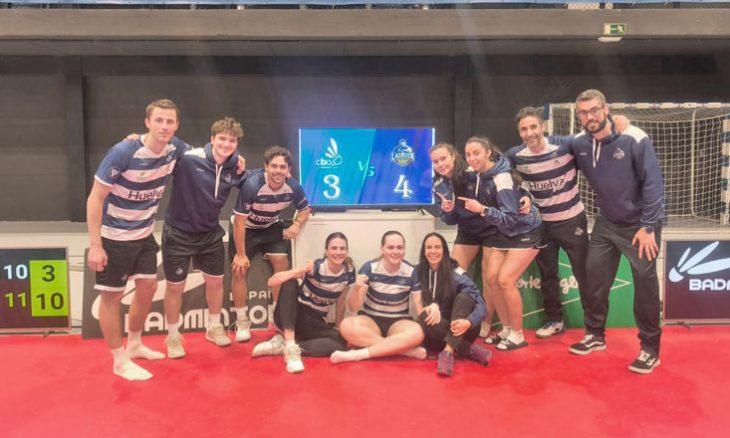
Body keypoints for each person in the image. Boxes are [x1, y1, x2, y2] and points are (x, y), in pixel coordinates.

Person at [86, 98, 189, 381]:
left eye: (169, 121)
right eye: (159, 120)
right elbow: (95, 198)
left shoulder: (175, 148)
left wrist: (236, 159)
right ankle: (119, 361)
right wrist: (95, 245)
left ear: (176, 125)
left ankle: (134, 344)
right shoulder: (123, 152)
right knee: (112, 297)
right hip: (115, 237)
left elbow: (205, 155)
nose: (164, 126)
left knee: (147, 286)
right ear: (147, 123)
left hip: (144, 234)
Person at [568, 89, 664, 374]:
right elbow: (547, 148)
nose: (590, 116)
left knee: (645, 286)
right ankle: (595, 334)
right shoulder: (579, 143)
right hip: (606, 223)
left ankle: (650, 349)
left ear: (606, 109)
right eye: (583, 112)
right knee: (594, 279)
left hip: (640, 226)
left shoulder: (634, 137)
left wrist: (648, 226)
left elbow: (653, 184)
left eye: (594, 110)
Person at [162, 117, 246, 359]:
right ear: (212, 139)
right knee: (174, 287)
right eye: (222, 139)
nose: (226, 144)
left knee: (216, 283)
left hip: (210, 233)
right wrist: (135, 139)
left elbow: (251, 179)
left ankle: (214, 327)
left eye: (232, 141)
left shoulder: (235, 167)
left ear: (237, 144)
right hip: (178, 233)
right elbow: (161, 141)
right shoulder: (189, 158)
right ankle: (173, 336)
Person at [505, 107, 589, 339]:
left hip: (572, 221)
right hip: (542, 226)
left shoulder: (565, 145)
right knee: (548, 275)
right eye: (524, 129)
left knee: (583, 273)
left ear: (542, 126)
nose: (529, 132)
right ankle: (554, 320)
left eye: (533, 126)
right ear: (519, 132)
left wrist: (616, 121)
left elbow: (594, 135)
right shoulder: (516, 155)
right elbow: (496, 169)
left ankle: (593, 327)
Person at [459, 136, 544, 351]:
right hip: (503, 231)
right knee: (491, 280)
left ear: (488, 153)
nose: (472, 158)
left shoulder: (502, 178)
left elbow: (511, 218)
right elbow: (519, 190)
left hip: (525, 230)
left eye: (476, 153)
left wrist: (482, 210)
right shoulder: (475, 173)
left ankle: (518, 334)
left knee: (505, 280)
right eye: (468, 154)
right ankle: (506, 329)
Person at [229, 146, 310, 342]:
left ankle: (278, 317)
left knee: (282, 262)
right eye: (274, 166)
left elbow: (305, 209)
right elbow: (239, 222)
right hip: (246, 228)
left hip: (270, 226)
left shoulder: (293, 186)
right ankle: (242, 321)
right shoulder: (252, 185)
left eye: (282, 167)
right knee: (239, 269)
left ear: (288, 169)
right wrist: (241, 255)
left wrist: (297, 224)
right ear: (266, 166)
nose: (278, 171)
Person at [251, 232, 355, 373]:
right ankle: (291, 347)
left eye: (342, 248)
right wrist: (299, 270)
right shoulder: (316, 267)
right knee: (290, 283)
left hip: (315, 322)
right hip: (292, 316)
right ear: (326, 251)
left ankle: (288, 346)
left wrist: (337, 325)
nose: (338, 252)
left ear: (347, 251)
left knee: (341, 342)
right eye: (334, 248)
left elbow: (341, 301)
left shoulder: (348, 271)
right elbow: (271, 282)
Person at [430, 143, 497, 338]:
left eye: (443, 158)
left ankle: (485, 321)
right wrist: (450, 210)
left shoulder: (472, 172)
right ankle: (450, 318)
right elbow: (450, 221)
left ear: (454, 156)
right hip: (467, 231)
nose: (440, 164)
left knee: (489, 278)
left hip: (491, 229)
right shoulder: (437, 185)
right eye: (435, 161)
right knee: (451, 274)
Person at [330, 231, 426, 363]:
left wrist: (431, 309)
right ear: (382, 249)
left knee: (418, 332)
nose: (395, 252)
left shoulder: (411, 271)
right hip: (371, 321)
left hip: (398, 322)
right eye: (390, 247)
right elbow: (353, 307)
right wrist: (356, 289)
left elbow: (419, 307)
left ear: (404, 249)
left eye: (400, 247)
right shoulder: (369, 268)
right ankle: (403, 350)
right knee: (346, 326)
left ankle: (359, 354)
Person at [412, 232, 492, 376]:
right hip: (436, 332)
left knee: (465, 298)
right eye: (429, 247)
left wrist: (469, 321)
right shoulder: (417, 271)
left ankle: (448, 352)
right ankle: (466, 348)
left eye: (437, 247)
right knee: (424, 316)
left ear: (444, 250)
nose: (433, 251)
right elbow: (418, 308)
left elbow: (480, 303)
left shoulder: (456, 272)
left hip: (464, 328)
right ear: (423, 251)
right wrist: (432, 306)